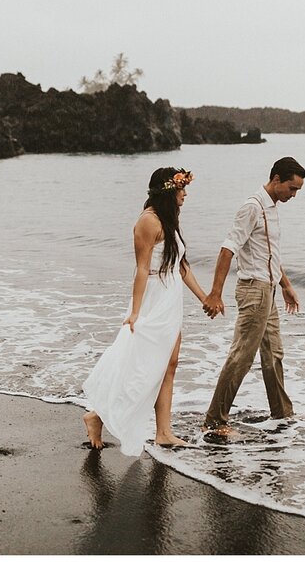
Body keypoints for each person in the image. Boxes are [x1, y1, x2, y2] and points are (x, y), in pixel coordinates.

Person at [82, 167, 209, 455]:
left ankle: (164, 432)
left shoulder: (169, 219)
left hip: (171, 296)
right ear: (168, 191)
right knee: (140, 365)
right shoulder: (147, 222)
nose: (185, 195)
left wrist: (204, 297)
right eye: (182, 189)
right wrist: (136, 312)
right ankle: (97, 415)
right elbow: (141, 268)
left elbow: (182, 264)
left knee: (169, 364)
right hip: (153, 298)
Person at [201, 157, 305, 435]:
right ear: (276, 179)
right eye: (292, 189)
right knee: (241, 357)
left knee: (274, 355)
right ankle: (214, 420)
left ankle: (282, 414)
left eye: (297, 190)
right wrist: (215, 293)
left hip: (268, 290)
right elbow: (227, 249)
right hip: (253, 291)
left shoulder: (272, 207)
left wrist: (285, 285)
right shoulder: (253, 207)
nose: (293, 195)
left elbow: (268, 253)